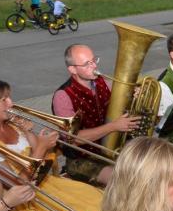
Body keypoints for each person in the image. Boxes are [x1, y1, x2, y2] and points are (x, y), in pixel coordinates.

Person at [52, 44, 141, 185]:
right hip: (81, 160)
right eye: (87, 64)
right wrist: (113, 126)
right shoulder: (63, 96)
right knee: (124, 181)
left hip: (109, 149)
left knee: (147, 164)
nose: (94, 66)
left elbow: (118, 110)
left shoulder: (102, 82)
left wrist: (131, 97)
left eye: (94, 60)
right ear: (72, 69)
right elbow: (73, 139)